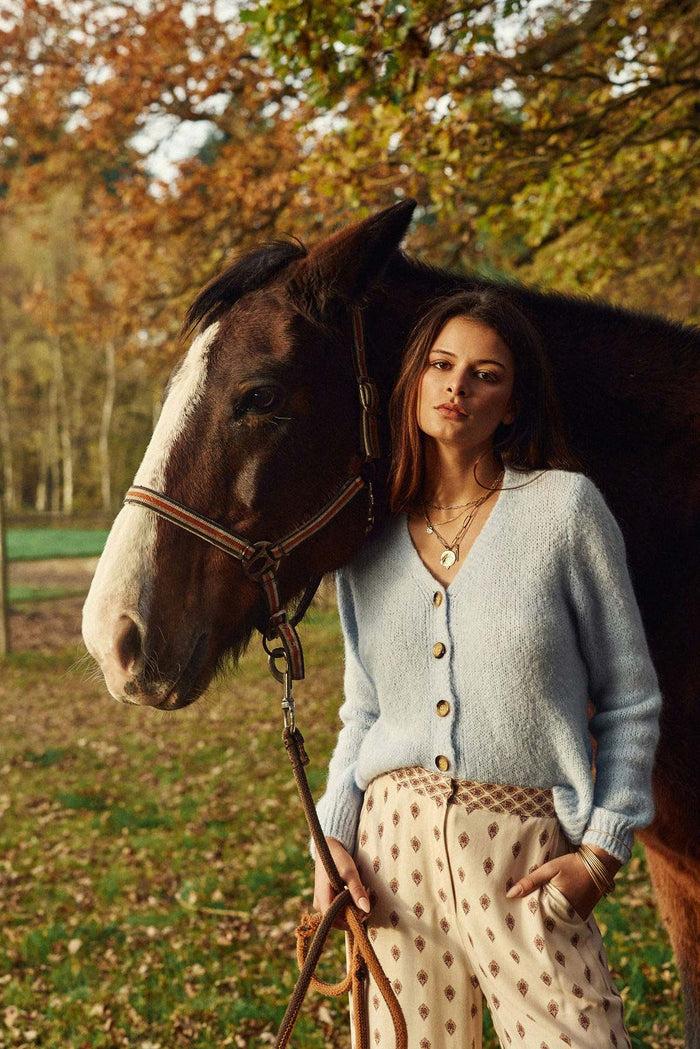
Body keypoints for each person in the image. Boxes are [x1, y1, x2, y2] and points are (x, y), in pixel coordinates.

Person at [309, 288, 662, 1048]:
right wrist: (331, 837)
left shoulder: (564, 511)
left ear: (512, 405)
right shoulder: (368, 539)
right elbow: (363, 711)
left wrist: (602, 852)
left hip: (525, 856)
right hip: (391, 856)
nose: (457, 387)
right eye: (441, 365)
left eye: (485, 374)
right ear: (414, 382)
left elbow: (631, 698)